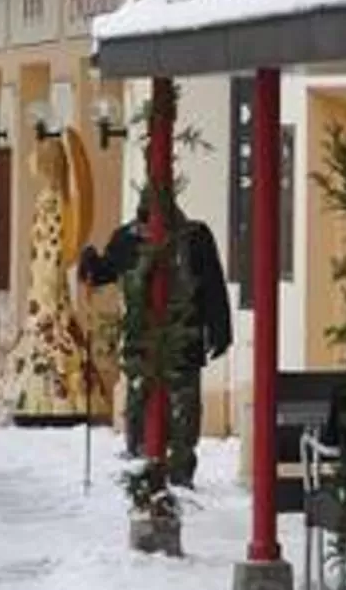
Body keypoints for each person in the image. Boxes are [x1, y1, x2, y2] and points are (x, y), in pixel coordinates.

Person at [76, 193, 232, 475]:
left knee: (183, 410)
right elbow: (104, 271)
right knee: (142, 406)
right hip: (142, 342)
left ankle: (180, 468)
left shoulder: (194, 237)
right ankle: (142, 463)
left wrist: (220, 328)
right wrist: (89, 263)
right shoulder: (127, 239)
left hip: (184, 339)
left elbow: (213, 286)